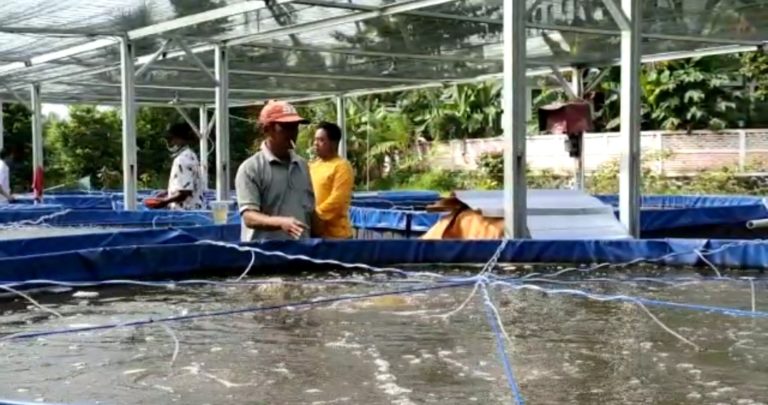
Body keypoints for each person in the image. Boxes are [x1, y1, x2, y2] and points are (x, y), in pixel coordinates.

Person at [235, 100, 315, 241]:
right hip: (266, 256)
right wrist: (281, 223)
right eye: (285, 127)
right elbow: (249, 217)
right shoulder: (251, 168)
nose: (292, 133)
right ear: (267, 129)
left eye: (295, 127)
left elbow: (309, 211)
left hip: (301, 254)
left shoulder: (302, 165)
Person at [309, 122, 354, 239]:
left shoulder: (342, 166)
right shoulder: (312, 165)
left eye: (321, 140)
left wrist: (316, 216)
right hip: (313, 234)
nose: (315, 144)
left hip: (336, 237)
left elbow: (338, 199)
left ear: (333, 143)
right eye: (315, 140)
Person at [147, 122, 205, 210]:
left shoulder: (182, 160)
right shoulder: (191, 155)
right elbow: (187, 185)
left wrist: (164, 202)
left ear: (179, 138)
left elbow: (185, 193)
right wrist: (169, 193)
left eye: (171, 139)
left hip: (185, 212)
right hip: (195, 209)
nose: (171, 142)